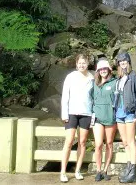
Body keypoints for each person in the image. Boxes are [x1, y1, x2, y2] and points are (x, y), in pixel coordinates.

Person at [60, 54, 94, 183]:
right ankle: (63, 172)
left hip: (86, 113)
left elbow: (93, 98)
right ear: (76, 64)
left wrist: (93, 116)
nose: (81, 65)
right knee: (69, 142)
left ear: (87, 64)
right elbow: (65, 96)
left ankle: (77, 170)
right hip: (72, 113)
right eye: (79, 63)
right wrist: (64, 114)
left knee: (83, 142)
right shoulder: (71, 77)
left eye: (84, 63)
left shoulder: (92, 77)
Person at [114, 52, 136, 184]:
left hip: (130, 112)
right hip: (119, 113)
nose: (123, 63)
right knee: (125, 142)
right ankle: (129, 167)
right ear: (118, 64)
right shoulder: (119, 77)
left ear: (129, 62)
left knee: (131, 142)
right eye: (121, 61)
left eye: (125, 61)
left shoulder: (134, 76)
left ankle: (134, 172)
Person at [91, 58, 118, 181]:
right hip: (98, 118)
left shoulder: (115, 82)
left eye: (104, 68)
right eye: (100, 69)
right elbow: (90, 99)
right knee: (98, 145)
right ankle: (98, 170)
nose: (103, 71)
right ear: (98, 71)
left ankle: (105, 170)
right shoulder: (94, 84)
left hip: (110, 117)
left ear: (109, 69)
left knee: (109, 144)